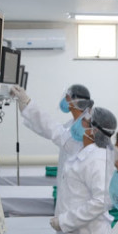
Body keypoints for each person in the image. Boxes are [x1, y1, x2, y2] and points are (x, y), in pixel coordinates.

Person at [10, 84, 94, 226]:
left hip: (78, 208)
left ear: (73, 101)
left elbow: (53, 130)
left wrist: (28, 103)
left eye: (67, 97)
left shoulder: (84, 128)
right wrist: (25, 107)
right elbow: (51, 130)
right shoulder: (72, 124)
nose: (64, 100)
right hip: (68, 201)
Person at [50, 107, 117, 234]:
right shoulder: (83, 151)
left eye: (84, 120)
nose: (79, 122)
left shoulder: (98, 159)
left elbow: (102, 201)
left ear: (93, 130)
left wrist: (65, 221)